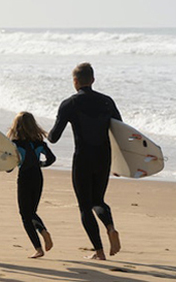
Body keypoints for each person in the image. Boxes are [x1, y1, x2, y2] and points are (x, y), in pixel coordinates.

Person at [48, 62, 121, 260]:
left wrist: (45, 134)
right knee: (98, 200)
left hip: (83, 158)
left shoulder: (69, 104)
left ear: (75, 81)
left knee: (84, 206)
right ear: (93, 80)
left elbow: (54, 137)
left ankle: (99, 251)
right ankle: (111, 227)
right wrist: (121, 162)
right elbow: (120, 131)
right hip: (104, 157)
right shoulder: (107, 101)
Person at [7, 111, 56, 258]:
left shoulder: (14, 144)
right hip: (37, 177)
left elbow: (9, 167)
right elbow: (52, 159)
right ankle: (43, 231)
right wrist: (40, 164)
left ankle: (38, 248)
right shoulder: (40, 143)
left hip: (24, 178)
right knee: (32, 212)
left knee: (25, 215)